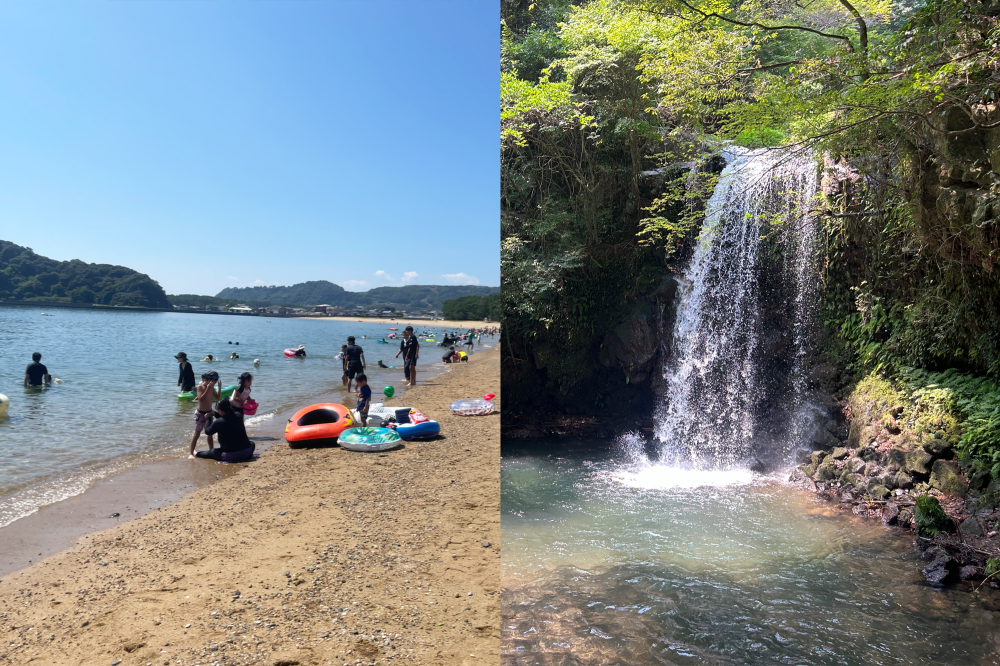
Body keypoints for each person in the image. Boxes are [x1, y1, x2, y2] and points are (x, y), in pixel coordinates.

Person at [194, 398, 255, 463]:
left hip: (230, 455)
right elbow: (227, 420)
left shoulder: (219, 422)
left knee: (212, 452)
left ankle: (196, 454)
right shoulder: (238, 415)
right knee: (252, 443)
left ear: (220, 410)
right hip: (247, 452)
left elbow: (208, 431)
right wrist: (215, 414)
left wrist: (208, 418)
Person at [189, 373, 220, 458]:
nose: (215, 381)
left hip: (209, 413)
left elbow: (217, 397)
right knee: (197, 434)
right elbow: (201, 399)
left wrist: (219, 387)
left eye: (216, 379)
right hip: (200, 413)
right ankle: (191, 453)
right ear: (206, 379)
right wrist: (208, 388)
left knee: (210, 434)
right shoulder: (200, 387)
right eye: (213, 379)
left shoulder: (212, 387)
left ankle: (211, 451)